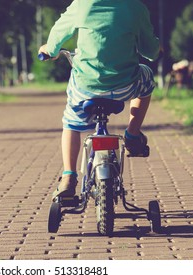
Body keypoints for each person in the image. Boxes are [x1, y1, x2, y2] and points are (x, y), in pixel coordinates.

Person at [38, 0, 160, 200]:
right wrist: (157, 50)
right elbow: (150, 50)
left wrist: (48, 50)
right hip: (124, 86)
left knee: (70, 122)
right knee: (146, 77)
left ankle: (68, 176)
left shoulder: (82, 5)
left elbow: (58, 35)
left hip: (86, 89)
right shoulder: (135, 8)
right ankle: (132, 133)